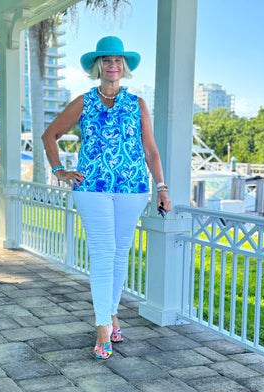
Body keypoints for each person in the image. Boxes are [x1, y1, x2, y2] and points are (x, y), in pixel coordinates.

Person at [42, 36, 171, 359]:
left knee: (118, 254)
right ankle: (103, 327)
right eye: (107, 61)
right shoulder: (84, 102)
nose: (113, 66)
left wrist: (162, 187)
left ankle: (112, 315)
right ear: (98, 67)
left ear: (123, 67)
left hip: (134, 188)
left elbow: (151, 149)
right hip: (92, 188)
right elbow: (50, 135)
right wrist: (59, 170)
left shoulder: (137, 103)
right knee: (102, 253)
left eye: (118, 61)